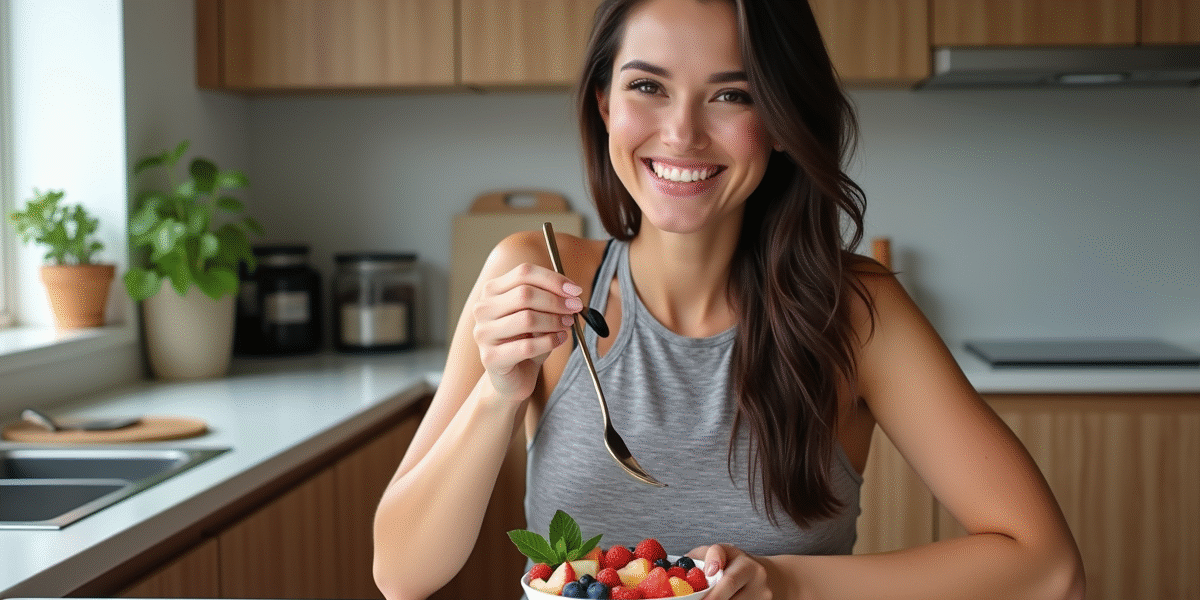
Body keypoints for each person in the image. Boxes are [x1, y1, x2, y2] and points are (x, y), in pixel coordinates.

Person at [373, 0, 1085, 598]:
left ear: (777, 120)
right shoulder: (534, 271)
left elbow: (1048, 565)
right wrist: (498, 393)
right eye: (647, 86)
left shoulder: (857, 313)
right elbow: (400, 574)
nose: (681, 132)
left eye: (730, 94)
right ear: (603, 102)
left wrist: (783, 580)